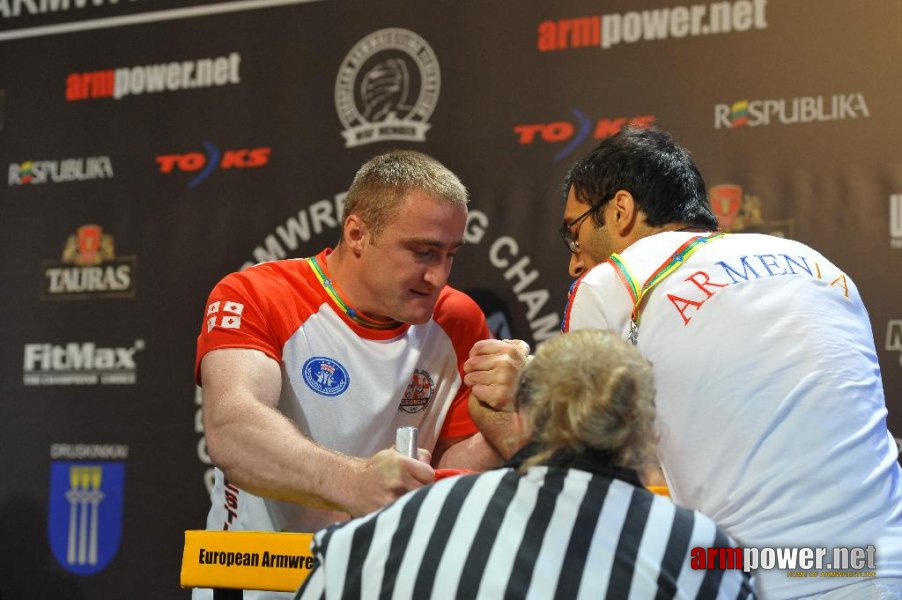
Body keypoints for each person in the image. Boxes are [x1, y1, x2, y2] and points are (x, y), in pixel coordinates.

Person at [466, 126, 902, 599]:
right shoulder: (816, 263)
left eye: (574, 234)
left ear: (621, 210)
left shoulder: (616, 281)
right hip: (885, 561)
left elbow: (583, 479)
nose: (574, 263)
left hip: (753, 574)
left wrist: (510, 399)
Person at [194, 150, 502, 599]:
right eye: (422, 252)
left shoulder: (457, 318)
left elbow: (452, 470)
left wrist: (512, 412)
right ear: (357, 233)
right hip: (257, 583)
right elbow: (232, 429)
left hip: (380, 583)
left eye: (450, 254)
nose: (438, 276)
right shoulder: (257, 293)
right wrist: (354, 483)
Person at [295, 329, 755, 600]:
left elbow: (327, 574)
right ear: (648, 434)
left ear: (519, 420)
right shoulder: (703, 550)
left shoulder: (395, 524)